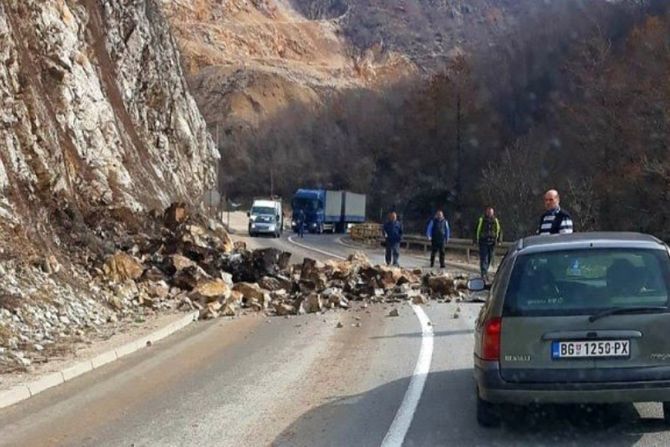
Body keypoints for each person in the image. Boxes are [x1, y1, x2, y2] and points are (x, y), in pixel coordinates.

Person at [474, 207, 502, 280]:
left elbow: (499, 231)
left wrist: (499, 240)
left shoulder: (495, 220)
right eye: (488, 212)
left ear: (493, 213)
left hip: (492, 242)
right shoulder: (481, 220)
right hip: (483, 242)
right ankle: (484, 273)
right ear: (486, 212)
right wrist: (475, 240)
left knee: (489, 257)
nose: (489, 213)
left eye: (491, 212)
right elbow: (476, 230)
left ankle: (485, 271)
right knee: (484, 258)